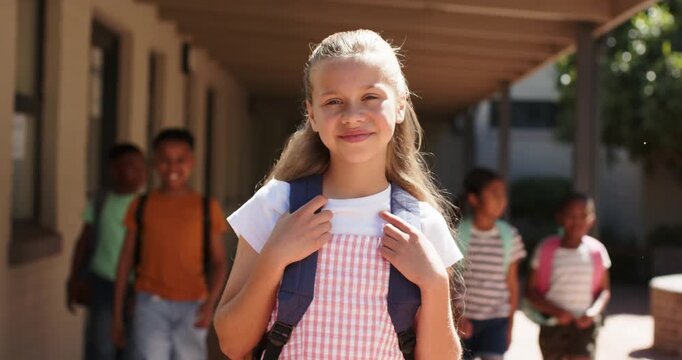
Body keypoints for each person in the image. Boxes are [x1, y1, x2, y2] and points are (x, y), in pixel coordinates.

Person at [213, 29, 463, 360]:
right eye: (333, 101)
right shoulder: (276, 207)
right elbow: (232, 344)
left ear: (400, 105)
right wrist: (274, 258)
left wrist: (434, 283)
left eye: (371, 97)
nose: (352, 115)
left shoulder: (423, 225)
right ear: (312, 114)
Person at [112, 128, 228, 360]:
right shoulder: (142, 205)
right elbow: (125, 261)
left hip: (193, 305)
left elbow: (219, 262)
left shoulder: (205, 207)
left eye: (180, 160)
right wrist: (117, 315)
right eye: (165, 160)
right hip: (150, 304)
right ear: (155, 163)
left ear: (192, 162)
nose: (172, 167)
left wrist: (210, 305)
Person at [66, 143, 147, 360]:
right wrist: (74, 279)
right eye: (131, 166)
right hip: (102, 284)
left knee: (133, 348)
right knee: (101, 347)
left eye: (142, 167)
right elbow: (83, 242)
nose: (139, 172)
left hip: (136, 287)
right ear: (114, 169)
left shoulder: (146, 205)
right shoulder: (101, 201)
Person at [525, 193, 611, 360]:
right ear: (559, 217)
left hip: (584, 326)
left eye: (583, 216)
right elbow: (530, 292)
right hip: (552, 325)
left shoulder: (597, 252)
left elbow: (605, 290)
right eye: (571, 216)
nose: (577, 221)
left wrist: (593, 312)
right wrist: (556, 311)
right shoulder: (545, 249)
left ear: (591, 219)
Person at [456, 168, 526, 360]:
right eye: (494, 194)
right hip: (463, 322)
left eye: (503, 194)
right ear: (474, 199)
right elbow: (449, 281)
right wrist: (457, 315)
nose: (501, 200)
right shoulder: (458, 235)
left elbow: (512, 284)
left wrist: (510, 325)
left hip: (496, 322)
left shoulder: (510, 237)